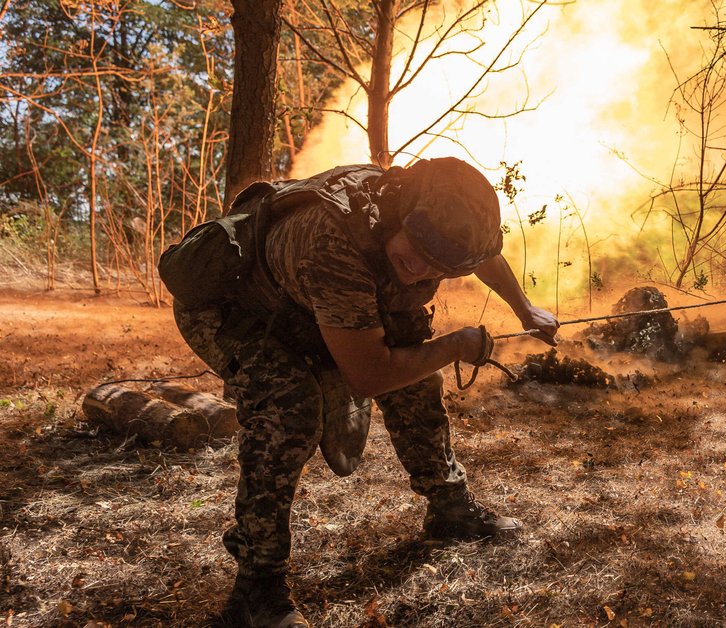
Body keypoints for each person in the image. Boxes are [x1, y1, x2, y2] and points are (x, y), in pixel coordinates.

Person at [172, 157, 558, 628]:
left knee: (417, 378)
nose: (417, 273)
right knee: (290, 409)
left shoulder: (428, 212)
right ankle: (257, 586)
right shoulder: (334, 242)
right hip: (238, 309)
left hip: (314, 300)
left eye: (436, 267)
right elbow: (370, 375)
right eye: (415, 253)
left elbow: (480, 255)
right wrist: (457, 345)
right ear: (400, 216)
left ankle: (450, 509)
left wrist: (524, 308)